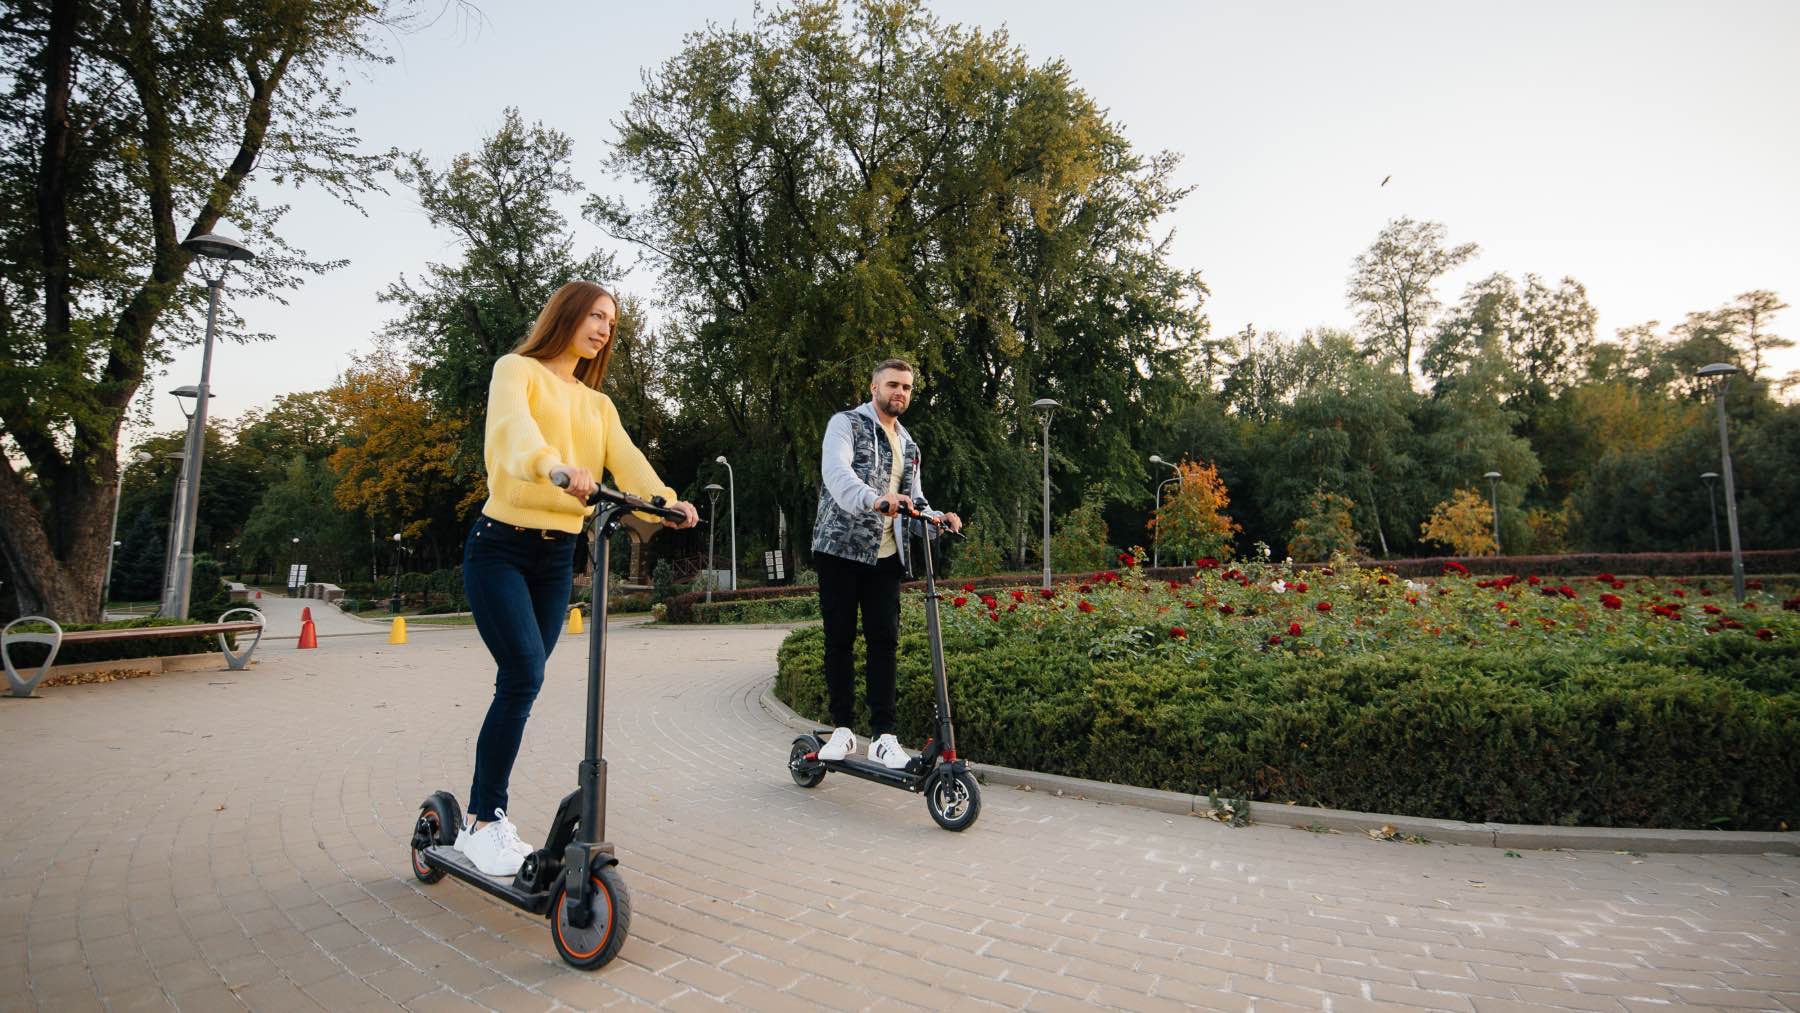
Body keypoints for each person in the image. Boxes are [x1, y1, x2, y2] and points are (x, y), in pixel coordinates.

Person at [456, 280, 697, 876]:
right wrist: (554, 467)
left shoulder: (598, 405)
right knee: (523, 674)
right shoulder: (516, 370)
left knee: (523, 683)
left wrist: (665, 501)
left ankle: (483, 816)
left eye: (610, 322)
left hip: (558, 556)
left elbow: (629, 460)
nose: (603, 329)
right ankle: (482, 821)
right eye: (594, 315)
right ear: (565, 315)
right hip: (500, 547)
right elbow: (514, 434)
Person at [810, 358, 961, 769]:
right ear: (874, 387)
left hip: (886, 556)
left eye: (907, 387)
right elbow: (837, 475)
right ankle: (842, 730)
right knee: (839, 640)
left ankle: (883, 736)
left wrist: (936, 519)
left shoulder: (909, 445)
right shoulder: (846, 424)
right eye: (893, 384)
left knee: (884, 644)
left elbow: (915, 499)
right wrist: (875, 500)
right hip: (839, 550)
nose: (900, 392)